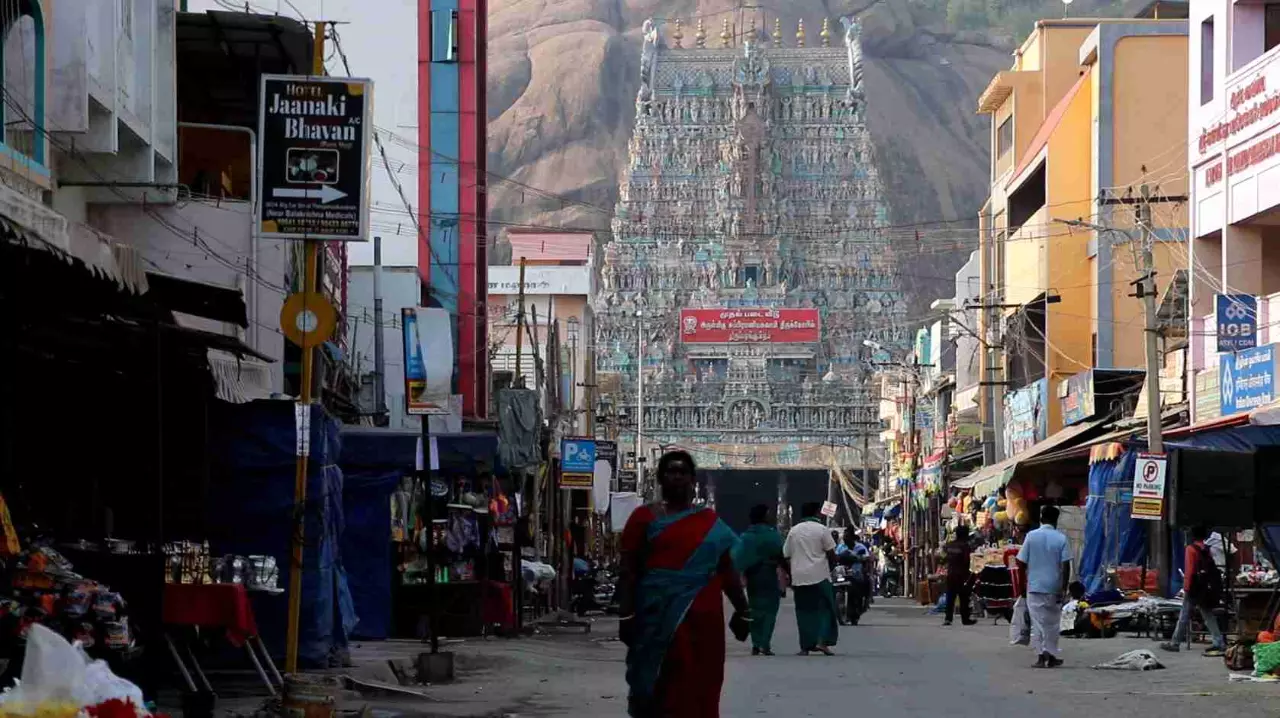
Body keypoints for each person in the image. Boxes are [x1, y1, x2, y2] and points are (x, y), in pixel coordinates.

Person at [618, 451, 750, 717]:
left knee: (700, 681)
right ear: (660, 479)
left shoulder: (709, 522)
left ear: (693, 480)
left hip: (703, 617)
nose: (676, 477)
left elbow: (726, 569)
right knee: (658, 679)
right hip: (655, 615)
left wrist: (743, 610)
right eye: (670, 471)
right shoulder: (643, 518)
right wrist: (627, 613)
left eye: (682, 472)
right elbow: (629, 569)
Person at [1016, 505, 1072, 668]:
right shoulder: (1061, 538)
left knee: (1038, 622)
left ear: (1041, 518)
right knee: (1053, 623)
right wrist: (1064, 588)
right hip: (1054, 586)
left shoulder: (1031, 537)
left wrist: (1021, 586)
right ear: (1056, 520)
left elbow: (1021, 562)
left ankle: (1041, 656)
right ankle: (1051, 654)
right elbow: (1066, 566)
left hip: (1034, 585)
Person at [783, 502, 840, 655]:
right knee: (826, 609)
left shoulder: (794, 531)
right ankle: (821, 642)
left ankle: (805, 646)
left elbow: (786, 555)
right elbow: (832, 554)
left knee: (803, 612)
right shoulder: (822, 530)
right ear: (816, 513)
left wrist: (790, 574)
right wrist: (831, 567)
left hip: (799, 577)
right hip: (820, 575)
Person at [1161, 523, 1226, 656]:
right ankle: (1218, 642)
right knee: (1208, 615)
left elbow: (1190, 570)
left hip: (1194, 587)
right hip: (1204, 587)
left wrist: (1186, 587)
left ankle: (1175, 643)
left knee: (1184, 616)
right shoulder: (1206, 549)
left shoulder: (1191, 549)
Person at [734, 504, 785, 656]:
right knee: (770, 609)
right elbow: (780, 553)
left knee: (755, 608)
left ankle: (756, 644)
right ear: (763, 516)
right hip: (768, 574)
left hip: (753, 576)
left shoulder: (746, 536)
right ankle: (765, 643)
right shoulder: (772, 534)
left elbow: (739, 558)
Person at [943, 525, 977, 626]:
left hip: (951, 574)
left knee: (950, 597)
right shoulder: (965, 546)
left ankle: (948, 618)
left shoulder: (949, 545)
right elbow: (967, 561)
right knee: (964, 598)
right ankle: (965, 619)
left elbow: (943, 558)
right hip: (962, 575)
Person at [839, 528, 871, 625]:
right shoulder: (841, 547)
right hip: (843, 573)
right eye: (844, 538)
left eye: (847, 537)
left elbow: (867, 557)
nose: (845, 539)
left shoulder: (860, 547)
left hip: (856, 574)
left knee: (865, 584)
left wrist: (861, 558)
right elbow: (835, 556)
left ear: (852, 538)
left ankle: (861, 606)